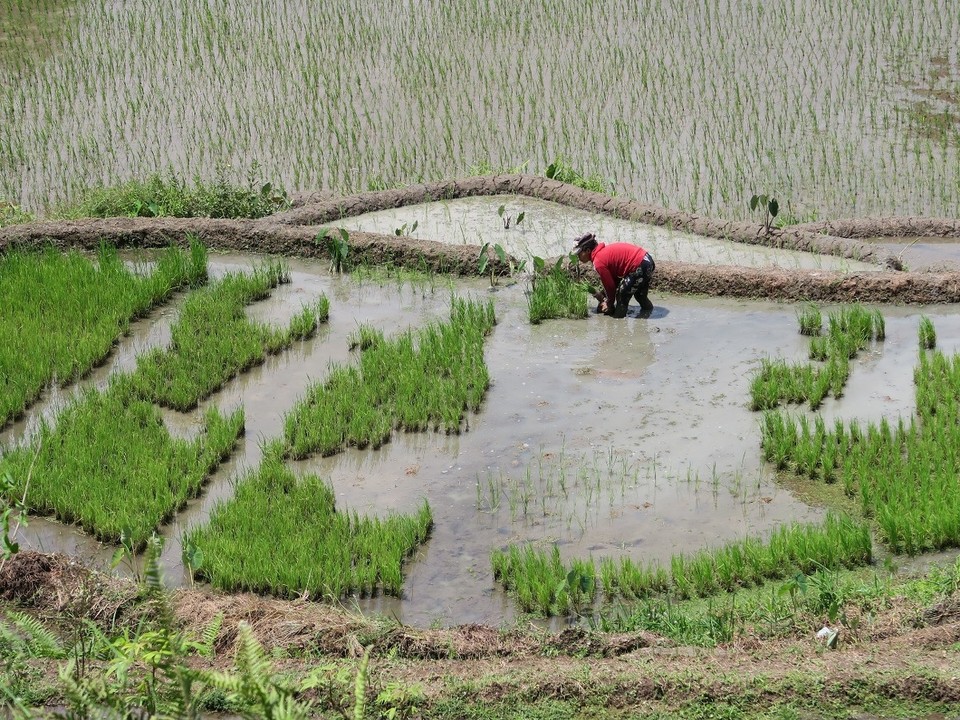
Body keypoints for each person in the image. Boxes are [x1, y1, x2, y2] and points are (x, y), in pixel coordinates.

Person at [573, 233, 655, 318]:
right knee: (640, 296)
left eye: (579, 253)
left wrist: (609, 303)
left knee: (622, 294)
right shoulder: (603, 253)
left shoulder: (598, 262)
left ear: (588, 251)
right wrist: (605, 295)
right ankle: (648, 312)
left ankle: (618, 320)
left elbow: (610, 287)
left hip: (639, 265)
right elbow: (614, 280)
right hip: (647, 261)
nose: (578, 257)